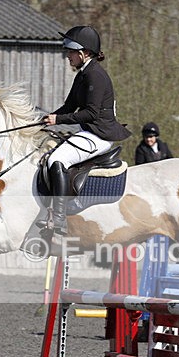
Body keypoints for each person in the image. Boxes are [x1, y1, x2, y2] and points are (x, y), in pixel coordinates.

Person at [38, 25, 131, 243]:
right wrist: (48, 118)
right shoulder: (83, 74)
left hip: (99, 135)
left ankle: (59, 217)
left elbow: (90, 113)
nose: (68, 56)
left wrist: (58, 121)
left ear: (84, 53)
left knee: (57, 159)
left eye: (71, 52)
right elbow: (69, 106)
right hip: (90, 131)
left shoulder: (95, 75)